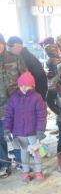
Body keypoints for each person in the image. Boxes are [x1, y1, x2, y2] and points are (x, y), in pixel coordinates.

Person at [3, 72, 47, 183]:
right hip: (19, 132)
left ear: (32, 86)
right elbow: (9, 114)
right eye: (22, 85)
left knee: (36, 152)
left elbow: (41, 114)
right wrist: (7, 129)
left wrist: (40, 130)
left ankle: (38, 172)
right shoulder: (14, 98)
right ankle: (26, 172)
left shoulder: (37, 97)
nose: (24, 87)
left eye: (27, 85)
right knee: (23, 152)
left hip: (33, 132)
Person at [0, 33, 26, 178]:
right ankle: (4, 164)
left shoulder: (15, 58)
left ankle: (21, 160)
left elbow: (26, 78)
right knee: (0, 137)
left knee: (17, 135)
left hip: (15, 105)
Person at [7, 36, 48, 100]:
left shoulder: (23, 58)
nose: (8, 51)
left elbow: (37, 76)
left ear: (18, 46)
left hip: (36, 91)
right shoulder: (26, 55)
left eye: (9, 48)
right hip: (37, 90)